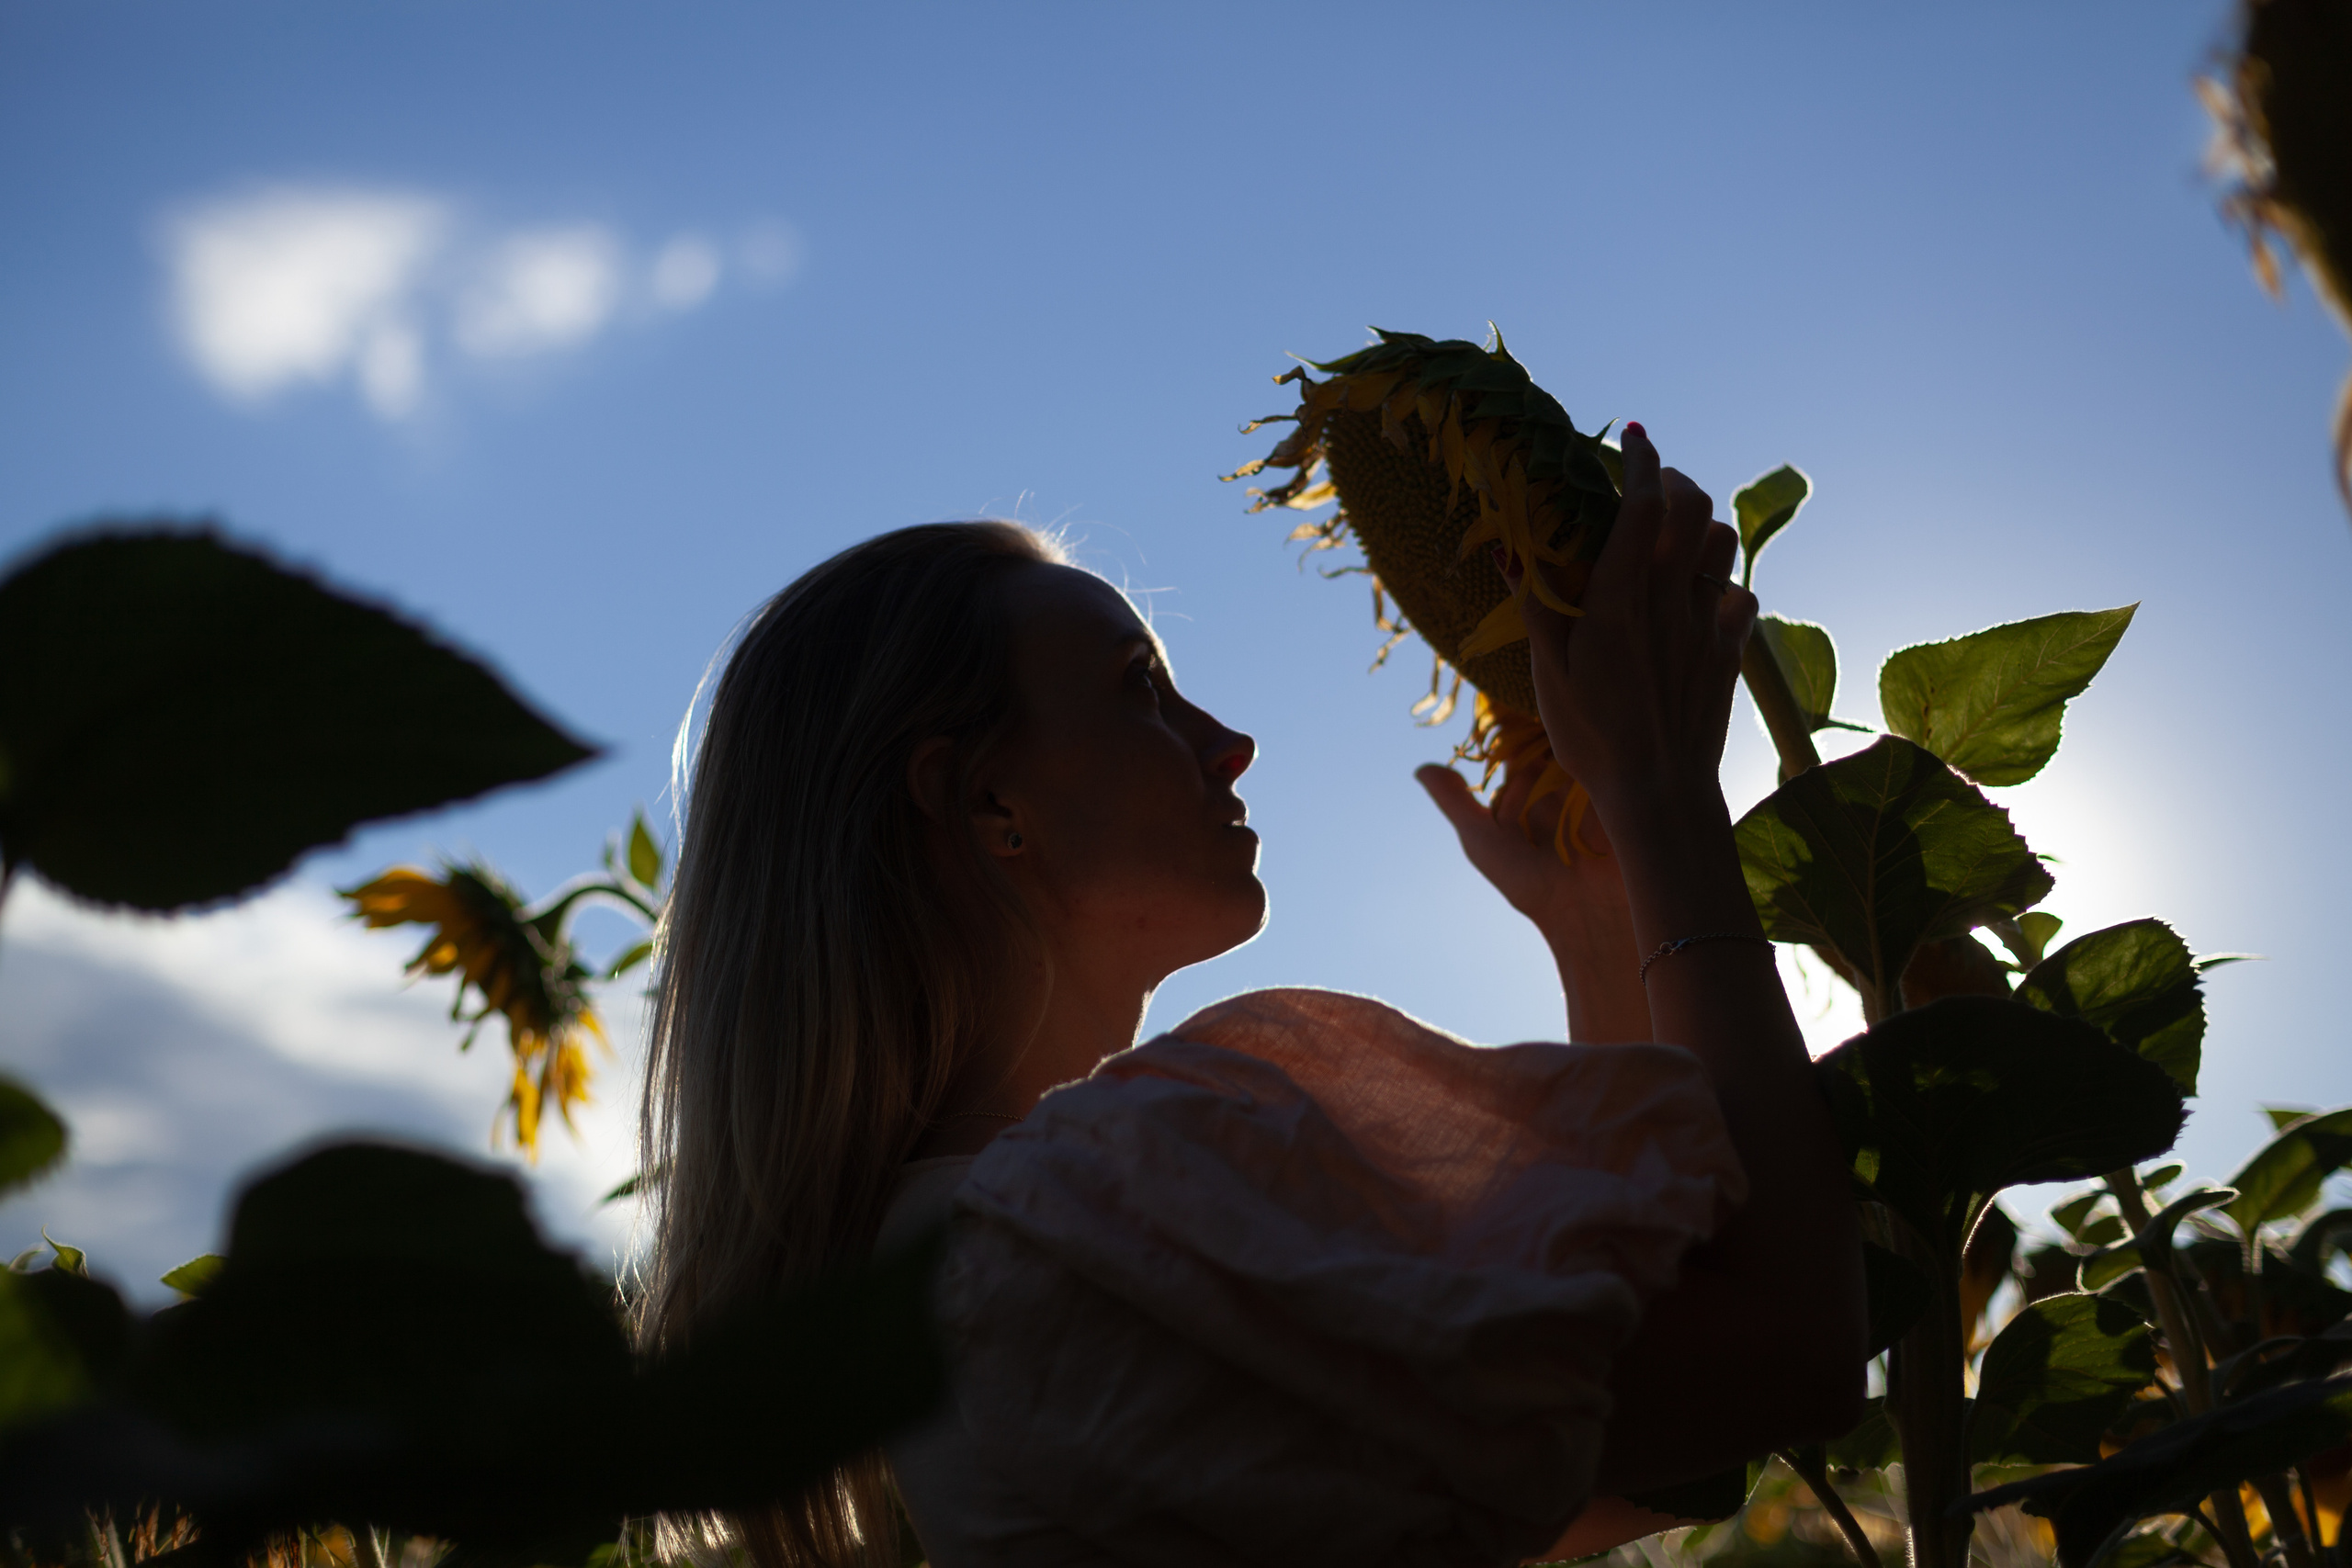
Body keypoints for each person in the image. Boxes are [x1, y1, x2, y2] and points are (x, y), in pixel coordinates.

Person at [636, 424, 1867, 1568]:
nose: (1229, 742)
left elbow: (1630, 1457)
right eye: (1137, 689)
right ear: (987, 805)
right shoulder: (1083, 1216)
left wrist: (1597, 922)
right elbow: (1784, 1347)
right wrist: (1659, 792)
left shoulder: (948, 1280)